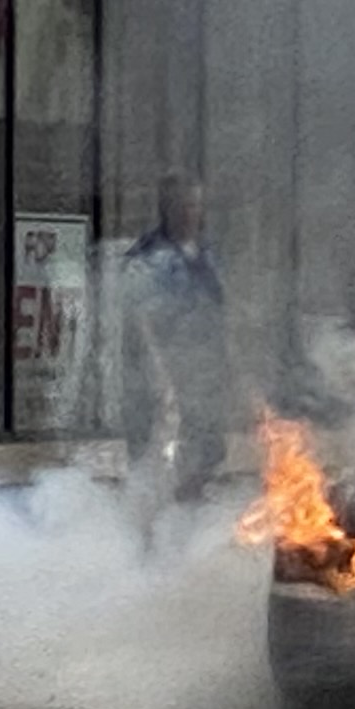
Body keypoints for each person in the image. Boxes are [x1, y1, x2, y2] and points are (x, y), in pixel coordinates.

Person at [118, 171, 236, 506]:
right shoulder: (146, 257)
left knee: (208, 448)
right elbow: (137, 315)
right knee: (158, 455)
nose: (190, 213)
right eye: (182, 205)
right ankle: (151, 531)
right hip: (162, 370)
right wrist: (157, 367)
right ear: (165, 209)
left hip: (203, 369)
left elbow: (220, 304)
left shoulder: (206, 253)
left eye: (195, 205)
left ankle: (188, 511)